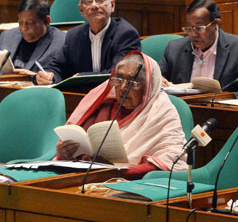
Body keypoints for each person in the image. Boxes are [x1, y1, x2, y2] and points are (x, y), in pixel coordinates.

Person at [57, 52, 188, 179]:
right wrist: (67, 153)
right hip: (88, 177)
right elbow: (80, 153)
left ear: (149, 86)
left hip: (131, 183)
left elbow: (172, 161)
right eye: (118, 80)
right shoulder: (102, 104)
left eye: (134, 82)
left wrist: (118, 171)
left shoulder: (161, 111)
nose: (124, 87)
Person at [36, 0, 141, 84]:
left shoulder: (126, 34)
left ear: (112, 5)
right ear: (81, 9)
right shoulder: (74, 35)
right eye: (88, 1)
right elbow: (57, 66)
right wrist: (49, 76)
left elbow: (119, 74)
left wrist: (82, 78)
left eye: (100, 0)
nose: (94, 5)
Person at [160, 0, 238, 99]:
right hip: (184, 110)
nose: (193, 34)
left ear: (216, 24)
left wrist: (229, 97)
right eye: (189, 28)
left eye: (199, 28)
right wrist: (158, 80)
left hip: (221, 111)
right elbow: (156, 77)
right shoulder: (174, 49)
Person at [0, 0, 65, 75]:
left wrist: (34, 76)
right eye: (20, 23)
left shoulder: (61, 43)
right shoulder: (7, 36)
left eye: (30, 23)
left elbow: (61, 76)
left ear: (47, 21)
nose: (24, 28)